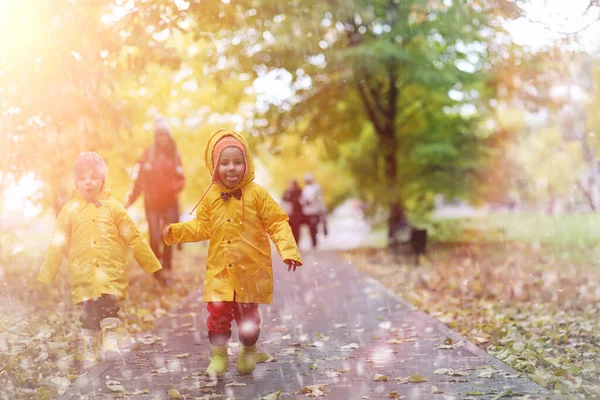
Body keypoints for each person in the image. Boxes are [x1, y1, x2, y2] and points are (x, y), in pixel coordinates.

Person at [163, 129, 302, 378]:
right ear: (215, 166)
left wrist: (288, 250)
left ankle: (249, 350)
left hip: (250, 271)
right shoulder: (211, 197)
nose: (231, 168)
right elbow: (201, 226)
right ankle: (219, 357)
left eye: (237, 162)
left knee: (249, 321)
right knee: (217, 317)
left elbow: (277, 222)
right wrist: (176, 232)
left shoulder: (257, 194)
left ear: (246, 164)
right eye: (224, 162)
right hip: (220, 271)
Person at [37, 152, 163, 370]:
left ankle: (110, 339)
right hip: (83, 272)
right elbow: (58, 242)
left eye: (94, 177)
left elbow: (132, 235)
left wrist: (150, 264)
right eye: (83, 178)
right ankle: (89, 349)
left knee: (108, 306)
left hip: (110, 270)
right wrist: (48, 273)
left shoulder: (113, 207)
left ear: (102, 180)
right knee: (88, 314)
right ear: (75, 181)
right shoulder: (69, 210)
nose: (88, 182)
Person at [125, 117, 185, 284]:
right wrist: (130, 200)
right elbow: (138, 181)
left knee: (167, 236)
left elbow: (182, 179)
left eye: (165, 135)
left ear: (169, 137)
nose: (162, 139)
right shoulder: (147, 155)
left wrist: (175, 188)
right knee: (154, 235)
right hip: (152, 202)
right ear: (156, 137)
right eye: (159, 136)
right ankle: (157, 267)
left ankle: (167, 269)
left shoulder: (175, 156)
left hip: (170, 201)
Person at [300, 172, 328, 248]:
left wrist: (306, 201)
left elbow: (312, 198)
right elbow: (302, 199)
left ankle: (314, 242)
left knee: (314, 227)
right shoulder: (305, 188)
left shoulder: (316, 187)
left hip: (315, 211)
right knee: (310, 227)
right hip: (307, 212)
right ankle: (312, 241)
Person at [281, 179, 304, 244]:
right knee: (289, 229)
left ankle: (296, 243)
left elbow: (302, 201)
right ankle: (291, 243)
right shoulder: (287, 192)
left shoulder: (299, 192)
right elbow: (283, 201)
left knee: (296, 229)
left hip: (297, 214)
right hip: (289, 214)